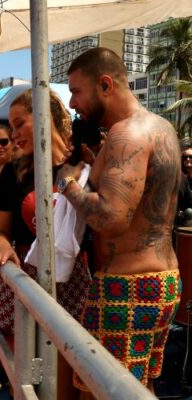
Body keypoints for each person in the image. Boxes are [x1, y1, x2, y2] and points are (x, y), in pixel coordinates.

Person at [56, 47, 181, 395]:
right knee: (138, 388)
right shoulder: (161, 128)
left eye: (77, 91)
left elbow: (111, 217)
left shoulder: (127, 135)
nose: (71, 103)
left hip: (127, 288)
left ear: (106, 85)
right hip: (163, 282)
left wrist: (67, 184)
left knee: (99, 389)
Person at [0, 88, 91, 399]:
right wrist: (3, 246)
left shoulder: (85, 163)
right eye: (11, 125)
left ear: (46, 118)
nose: (13, 134)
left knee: (64, 383)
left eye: (20, 124)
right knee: (25, 382)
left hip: (74, 286)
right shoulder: (14, 172)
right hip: (26, 284)